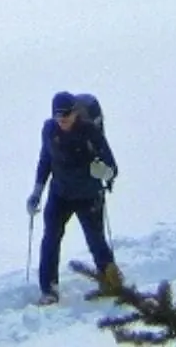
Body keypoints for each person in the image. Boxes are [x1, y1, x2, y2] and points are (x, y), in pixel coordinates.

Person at [28, 91, 122, 303]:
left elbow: (112, 167)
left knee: (95, 239)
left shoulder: (90, 131)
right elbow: (45, 160)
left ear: (75, 114)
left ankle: (112, 282)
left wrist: (104, 172)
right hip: (60, 194)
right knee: (50, 239)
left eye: (67, 115)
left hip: (88, 195)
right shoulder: (49, 130)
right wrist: (37, 191)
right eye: (58, 116)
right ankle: (49, 289)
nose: (63, 120)